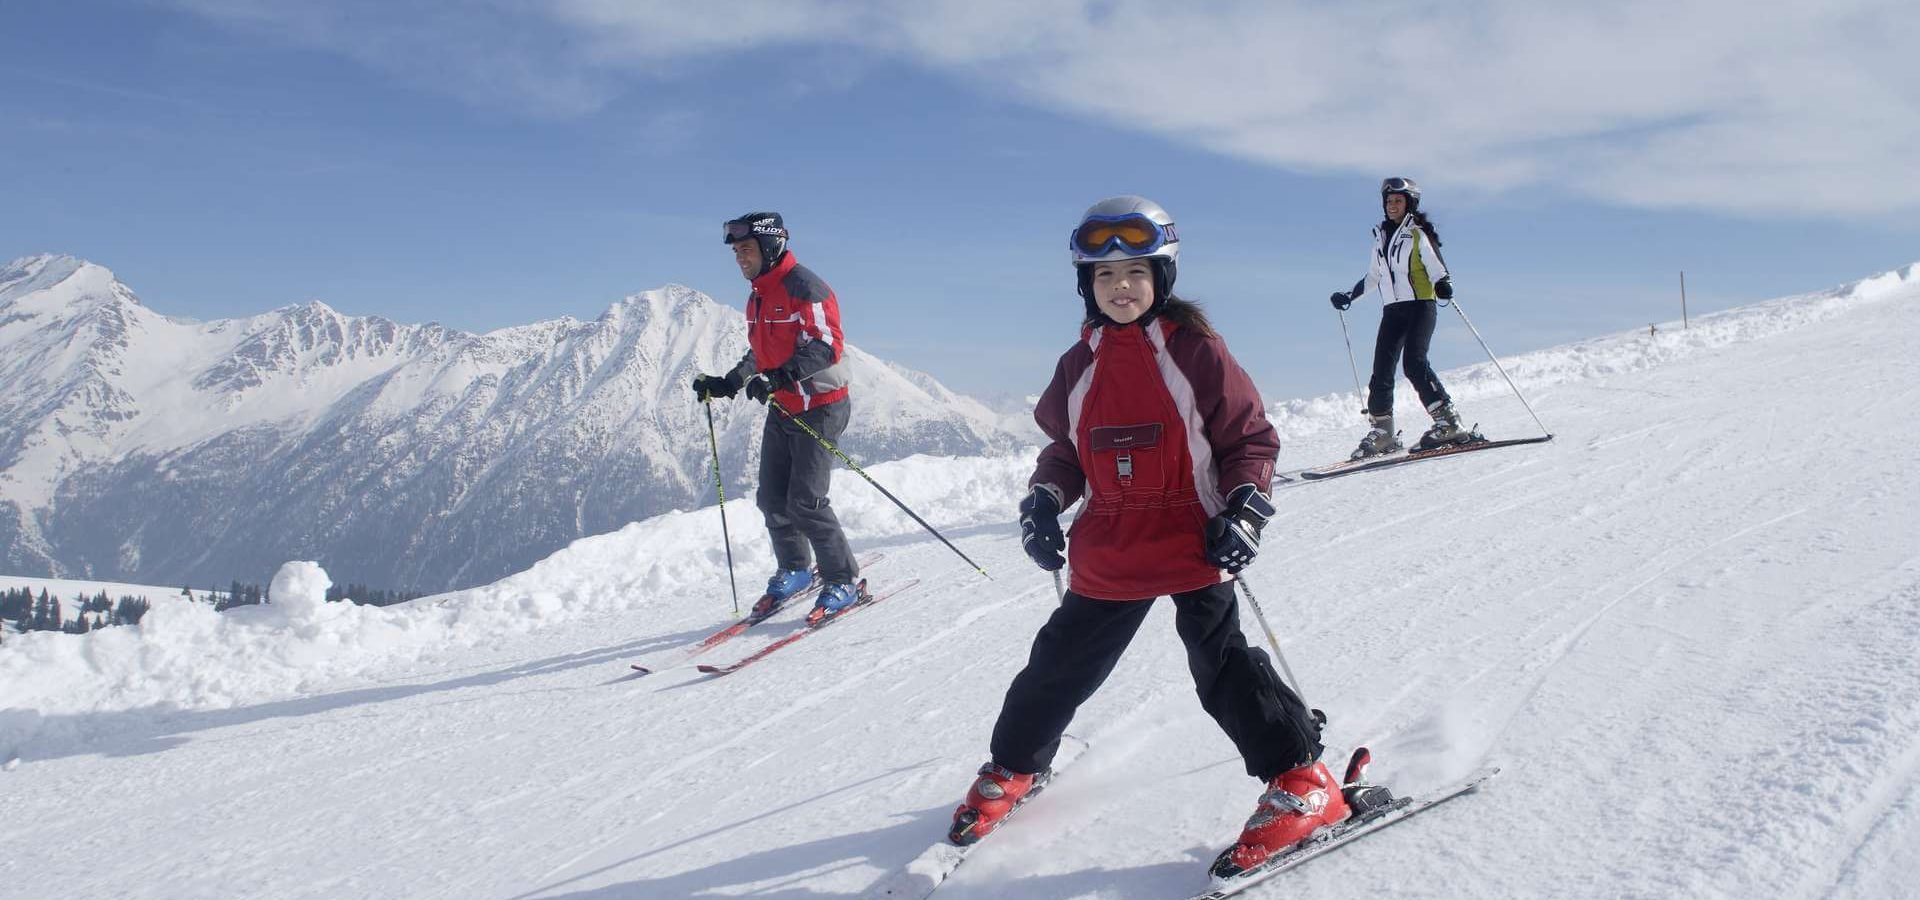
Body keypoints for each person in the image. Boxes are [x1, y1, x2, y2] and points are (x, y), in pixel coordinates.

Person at [947, 196, 1348, 880]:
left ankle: (1304, 782)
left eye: (1135, 272)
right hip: (1112, 542)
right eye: (1104, 277)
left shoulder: (1196, 351)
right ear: (1086, 287)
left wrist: (1246, 510)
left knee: (1220, 663)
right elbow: (1066, 453)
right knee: (1059, 662)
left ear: (1162, 277)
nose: (1120, 287)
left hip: (1196, 535)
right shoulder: (1080, 363)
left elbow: (1250, 439)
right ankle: (1014, 768)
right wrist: (1045, 502)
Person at [691, 212, 861, 626]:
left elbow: (825, 346)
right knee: (771, 500)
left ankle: (844, 579)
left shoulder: (807, 288)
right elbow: (761, 352)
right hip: (785, 405)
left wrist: (779, 377)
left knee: (805, 502)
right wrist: (729, 382)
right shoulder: (759, 295)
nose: (739, 258)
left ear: (770, 246)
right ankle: (797, 568)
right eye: (735, 252)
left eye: (745, 249)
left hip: (820, 406)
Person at [1329, 176, 1477, 459]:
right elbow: (1374, 277)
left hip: (1421, 306)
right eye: (1388, 201)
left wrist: (1444, 283)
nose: (1392, 205)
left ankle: (1449, 422)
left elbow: (1437, 267)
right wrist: (1349, 296)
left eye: (1397, 201)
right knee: (1381, 371)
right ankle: (1383, 431)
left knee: (1414, 363)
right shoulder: (1380, 237)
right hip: (1392, 311)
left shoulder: (1418, 233)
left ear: (1409, 203)